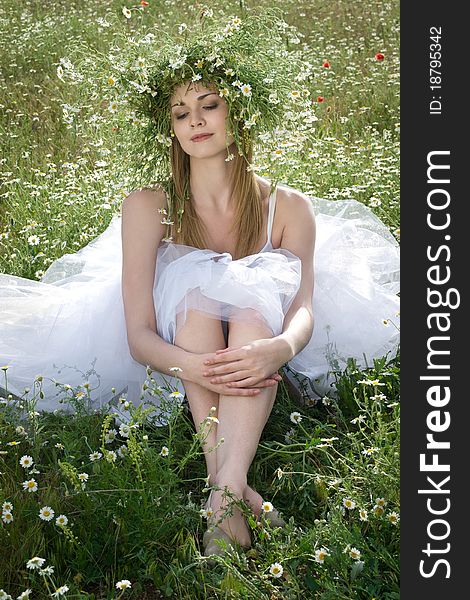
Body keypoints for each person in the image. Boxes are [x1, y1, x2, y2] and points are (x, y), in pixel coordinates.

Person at [0, 10, 399, 560]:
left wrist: (278, 349)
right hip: (180, 343)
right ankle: (235, 495)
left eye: (209, 104)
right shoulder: (147, 206)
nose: (196, 120)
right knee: (195, 293)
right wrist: (201, 367)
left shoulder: (289, 207)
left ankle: (220, 495)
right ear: (169, 127)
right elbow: (139, 334)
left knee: (254, 305)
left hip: (260, 335)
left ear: (241, 109)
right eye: (181, 111)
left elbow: (302, 306)